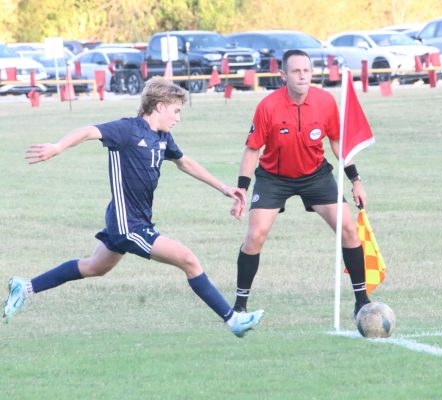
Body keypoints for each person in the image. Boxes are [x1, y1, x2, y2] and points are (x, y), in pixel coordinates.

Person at [3, 77, 263, 338]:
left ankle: (24, 288)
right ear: (160, 106)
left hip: (133, 219)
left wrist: (223, 188)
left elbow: (185, 163)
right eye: (176, 110)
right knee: (189, 260)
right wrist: (58, 146)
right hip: (128, 224)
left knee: (95, 267)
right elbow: (88, 131)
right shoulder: (127, 130)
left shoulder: (162, 137)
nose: (178, 118)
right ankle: (233, 320)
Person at [231, 49, 370, 317]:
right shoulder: (267, 106)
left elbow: (337, 143)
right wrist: (242, 189)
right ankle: (239, 305)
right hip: (273, 178)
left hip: (316, 176)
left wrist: (356, 180)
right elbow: (252, 149)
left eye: (306, 70)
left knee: (348, 229)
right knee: (255, 235)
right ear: (283, 75)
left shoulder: (326, 101)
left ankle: (362, 302)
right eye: (296, 71)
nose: (302, 76)